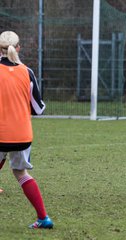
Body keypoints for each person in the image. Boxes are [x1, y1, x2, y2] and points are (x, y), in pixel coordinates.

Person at [0, 31, 54, 228]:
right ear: (19, 47)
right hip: (22, 135)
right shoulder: (27, 71)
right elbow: (39, 109)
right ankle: (43, 218)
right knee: (21, 173)